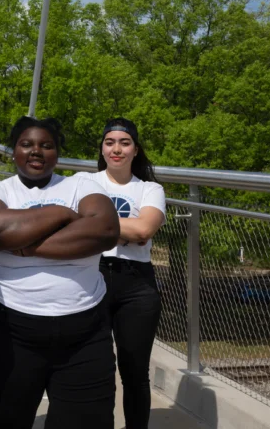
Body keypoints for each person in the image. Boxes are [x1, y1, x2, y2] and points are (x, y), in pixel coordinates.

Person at [0, 116, 120, 429]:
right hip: (6, 331)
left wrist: (23, 244)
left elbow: (104, 230)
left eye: (46, 145)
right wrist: (63, 215)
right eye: (27, 144)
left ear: (57, 153)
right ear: (14, 152)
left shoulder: (81, 184)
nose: (36, 151)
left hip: (85, 334)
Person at [86, 118, 166, 429]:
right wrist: (125, 232)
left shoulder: (150, 189)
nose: (116, 148)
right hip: (93, 278)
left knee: (135, 371)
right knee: (95, 367)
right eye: (110, 142)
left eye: (124, 142)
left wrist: (98, 227)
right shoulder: (85, 183)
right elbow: (74, 225)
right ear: (102, 149)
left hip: (137, 285)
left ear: (135, 150)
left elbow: (145, 228)